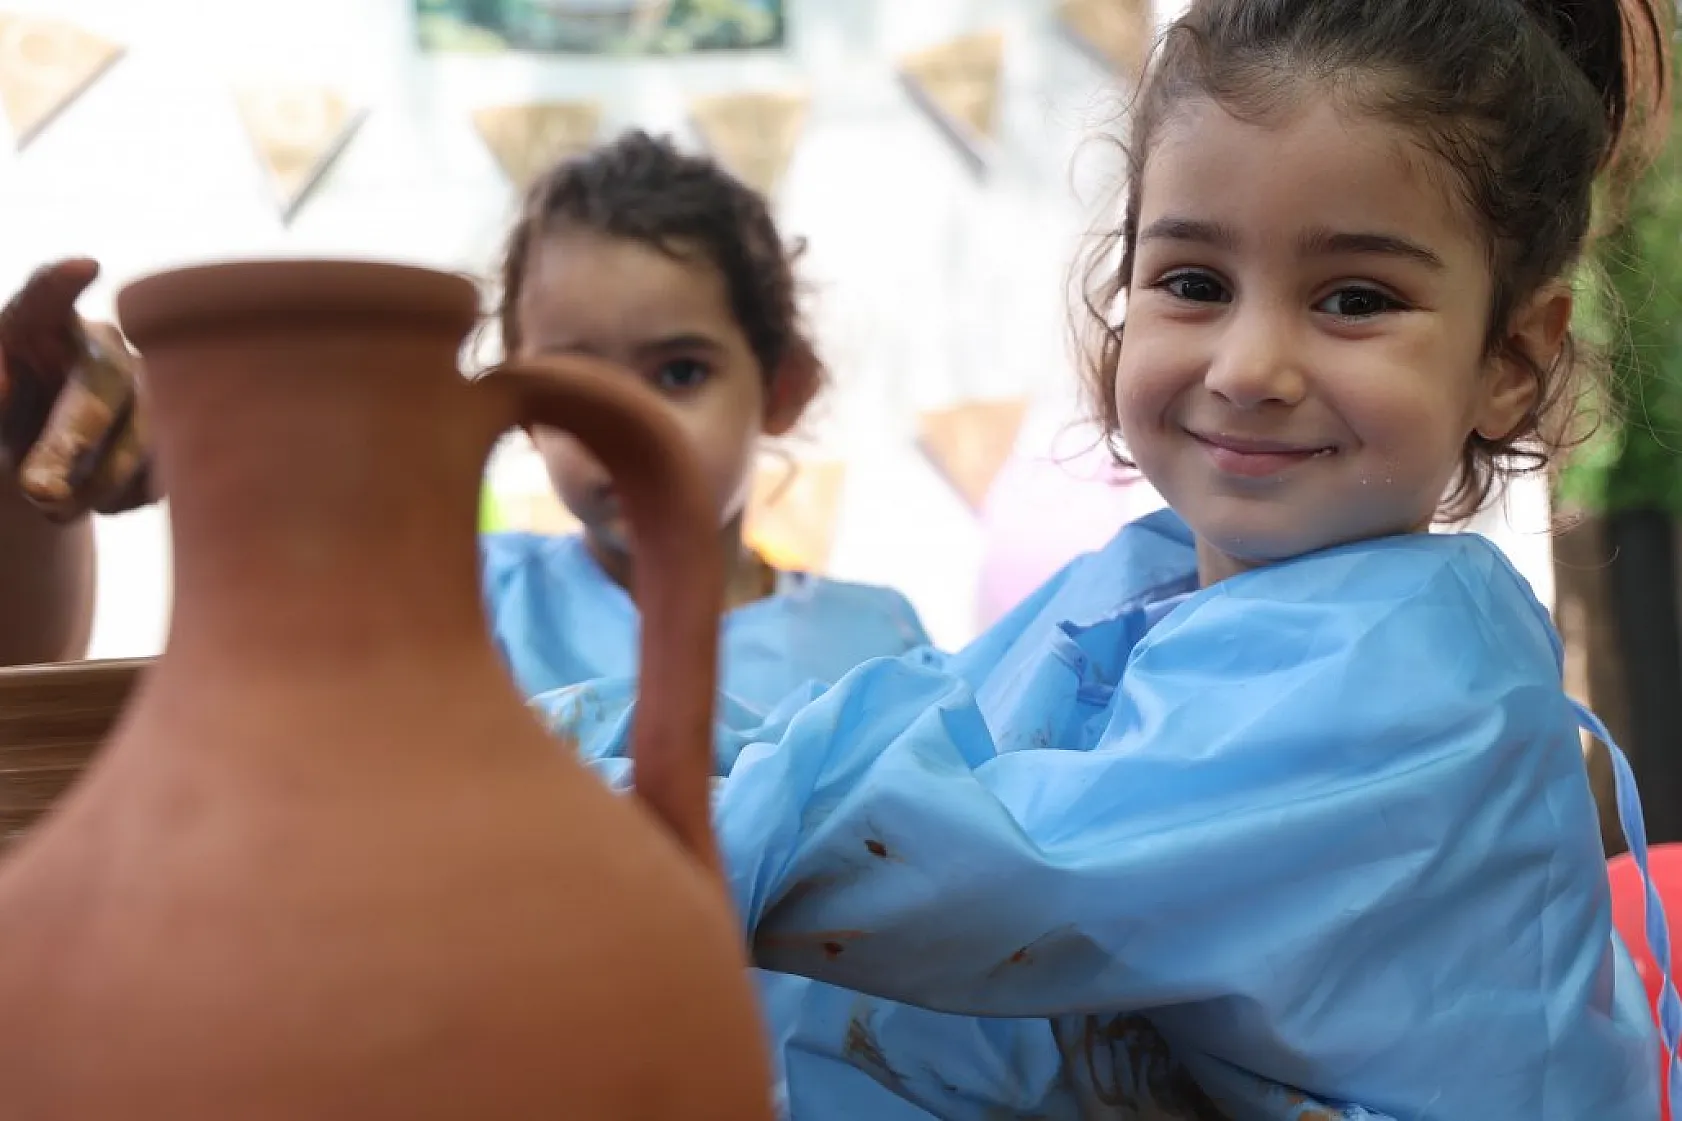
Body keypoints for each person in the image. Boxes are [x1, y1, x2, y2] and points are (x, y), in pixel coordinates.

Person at [538, 0, 1680, 1115]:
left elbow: (979, 863)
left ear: (1509, 361)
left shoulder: (1417, 681)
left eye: (1353, 299)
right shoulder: (1132, 585)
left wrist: (531, 779)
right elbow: (910, 760)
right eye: (1192, 283)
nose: (1247, 364)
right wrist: (574, 749)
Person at [0, 131, 937, 1119]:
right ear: (523, 401)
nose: (624, 419)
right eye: (576, 371)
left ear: (783, 387)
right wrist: (202, 447)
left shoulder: (876, 635)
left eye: (677, 373)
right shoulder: (458, 590)